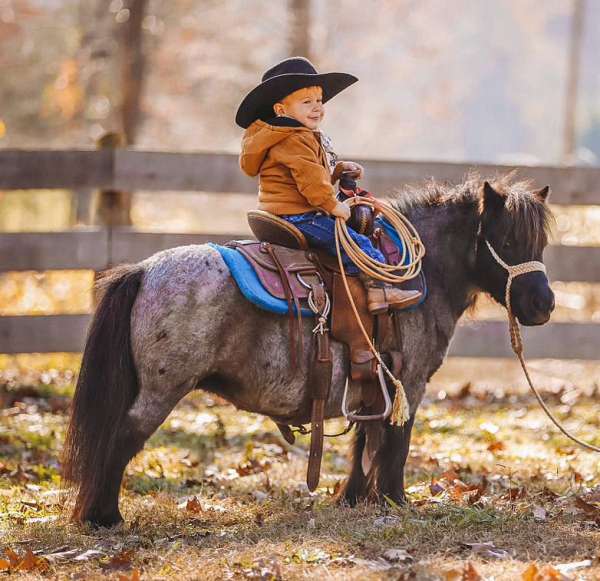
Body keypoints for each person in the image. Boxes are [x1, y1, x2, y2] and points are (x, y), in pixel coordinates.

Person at [236, 57, 421, 314]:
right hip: (298, 215)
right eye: (306, 102)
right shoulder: (294, 138)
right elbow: (310, 181)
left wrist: (337, 172)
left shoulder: (291, 135)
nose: (317, 108)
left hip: (287, 208)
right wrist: (333, 205)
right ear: (281, 110)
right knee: (358, 244)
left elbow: (307, 175)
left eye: (319, 101)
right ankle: (379, 292)